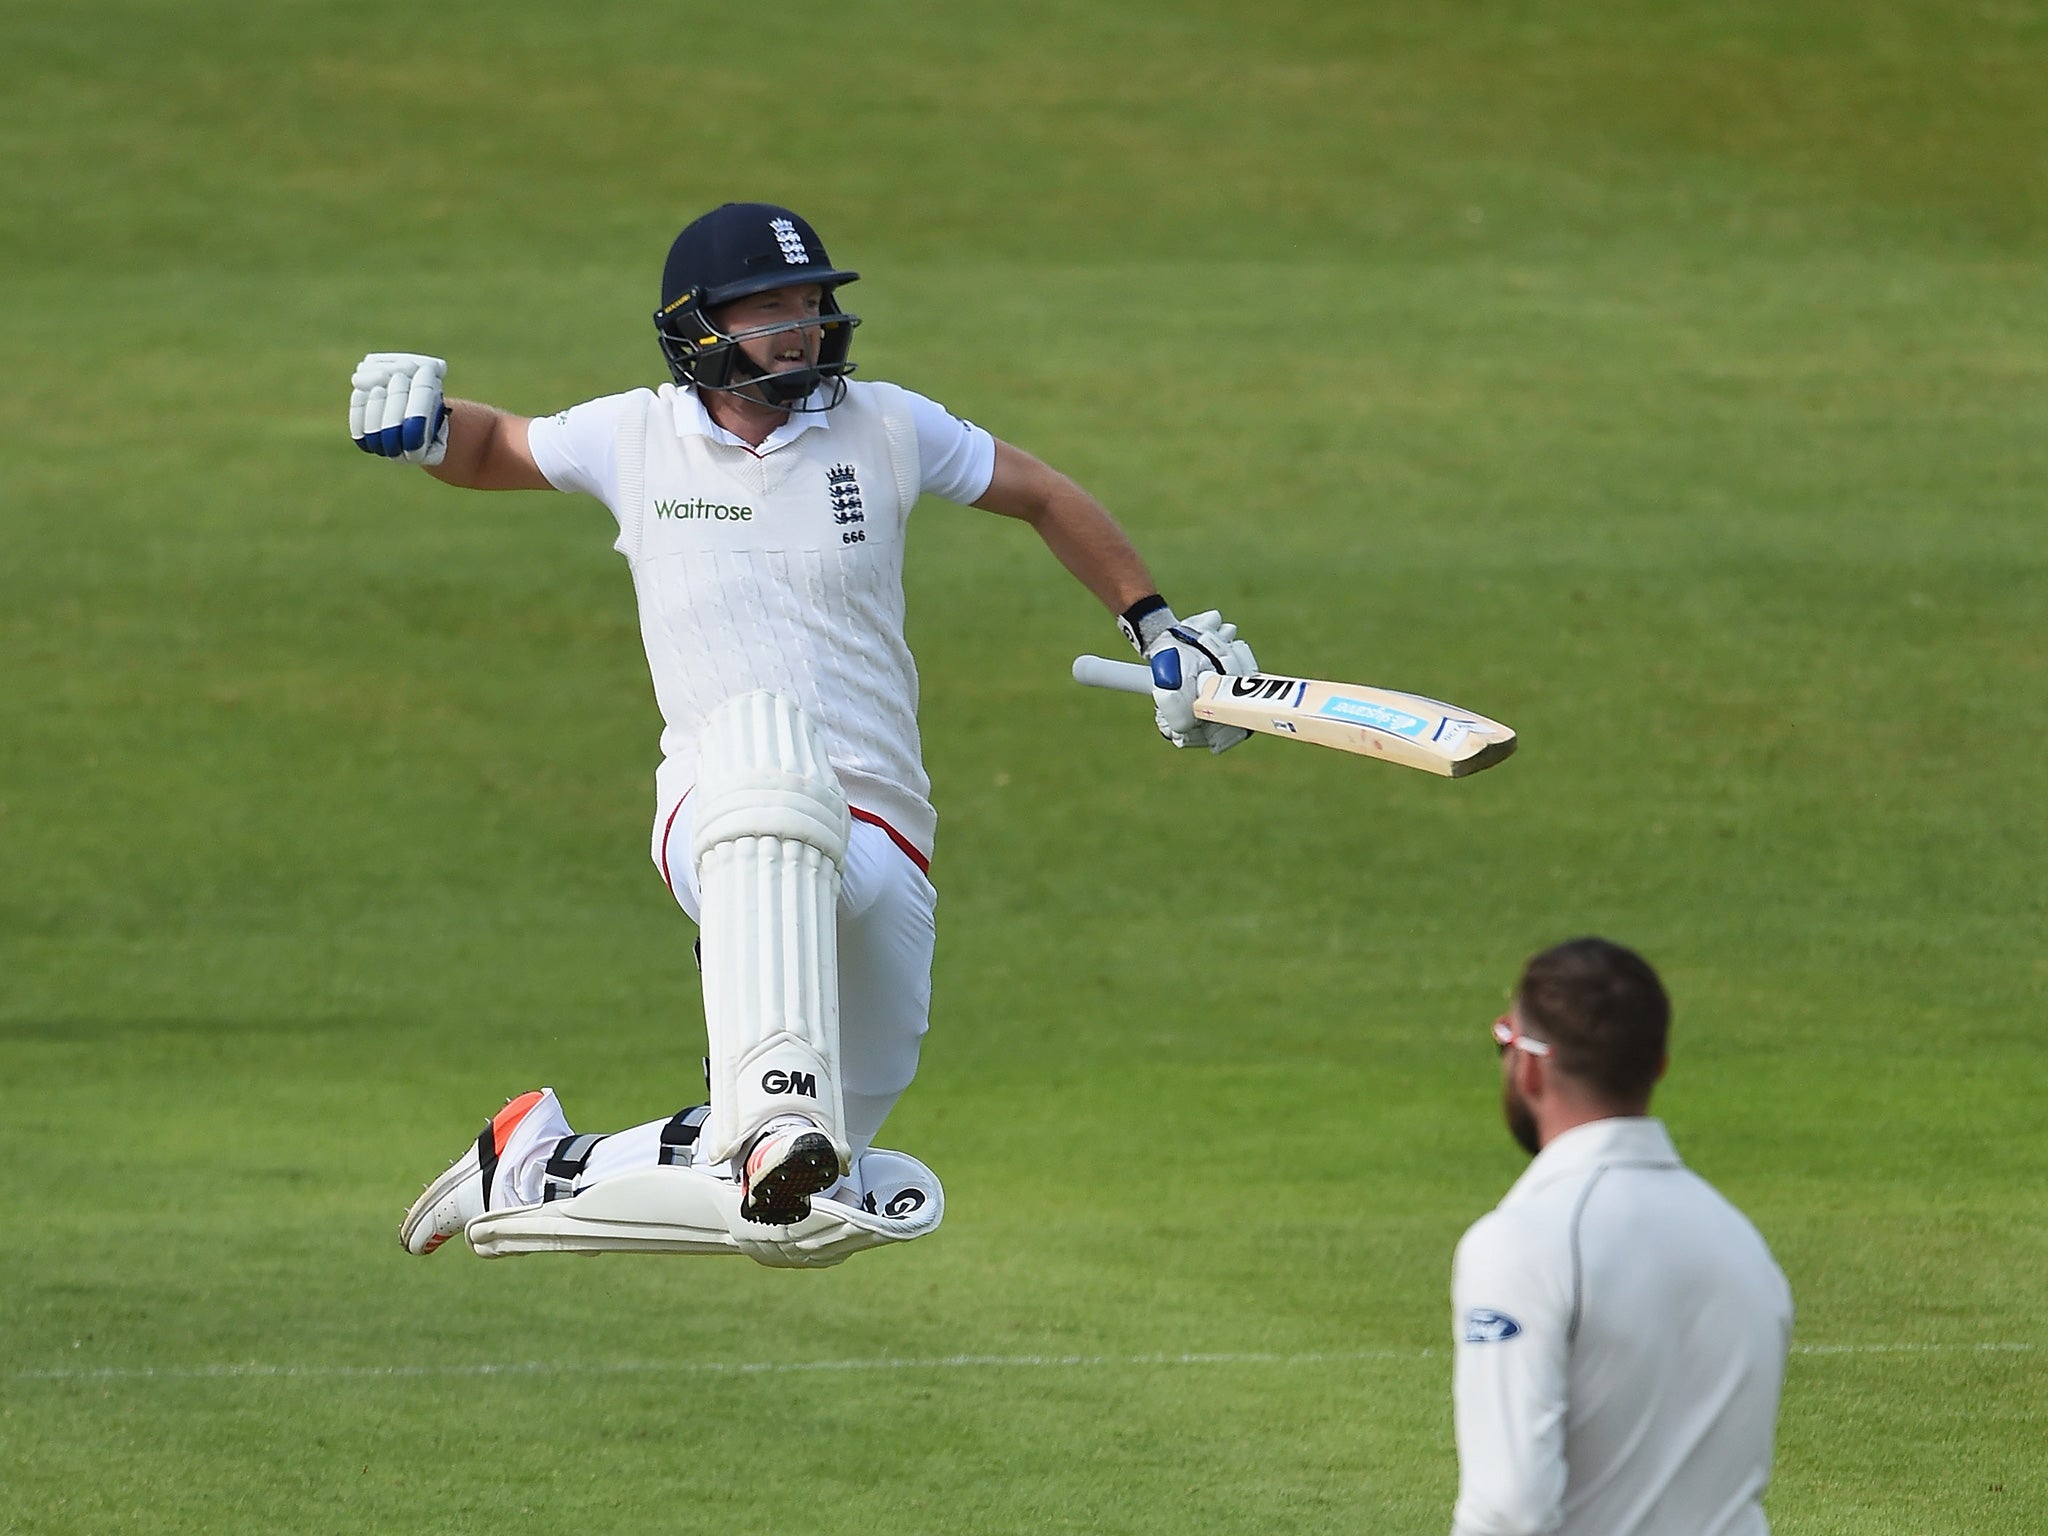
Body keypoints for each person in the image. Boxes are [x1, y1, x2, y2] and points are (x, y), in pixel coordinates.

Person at [348, 203, 1257, 1262]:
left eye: (812, 304)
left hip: (885, 825)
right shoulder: (636, 435)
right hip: (725, 799)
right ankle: (770, 1108)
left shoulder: (887, 426)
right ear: (698, 326)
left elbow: (1042, 494)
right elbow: (494, 444)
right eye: (769, 307)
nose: (802, 327)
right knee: (769, 772)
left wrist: (1154, 624)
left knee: (792, 1204)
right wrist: (423, 423)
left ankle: (539, 1165)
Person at [1450, 937, 1794, 1536]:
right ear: (1657, 1065)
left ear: (1530, 1064)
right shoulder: (1741, 1242)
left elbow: (1509, 1509)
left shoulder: (1519, 1245)